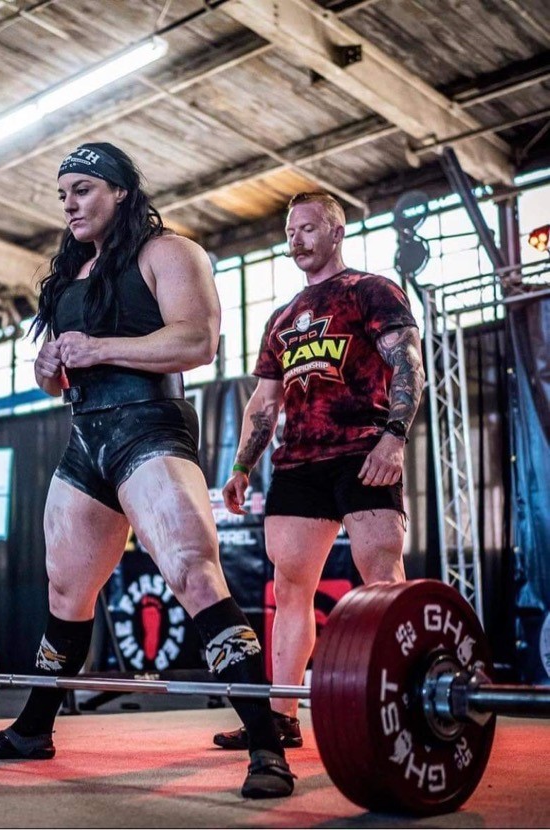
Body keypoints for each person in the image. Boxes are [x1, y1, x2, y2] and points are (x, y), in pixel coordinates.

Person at [0, 142, 293, 799]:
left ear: (119, 191)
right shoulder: (67, 279)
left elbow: (197, 341)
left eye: (82, 189)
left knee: (194, 573)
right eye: (63, 194)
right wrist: (49, 368)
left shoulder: (168, 252)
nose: (70, 204)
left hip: (149, 427)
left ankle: (266, 745)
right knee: (64, 596)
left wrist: (100, 347)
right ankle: (32, 728)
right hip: (87, 438)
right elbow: (57, 373)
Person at [213, 191, 426, 751]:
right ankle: (281, 716)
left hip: (363, 450)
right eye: (290, 232)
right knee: (289, 589)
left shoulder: (370, 290)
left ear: (335, 231)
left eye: (307, 228)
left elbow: (408, 363)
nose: (296, 240)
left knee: (382, 578)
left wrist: (394, 438)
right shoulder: (281, 319)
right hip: (299, 461)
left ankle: (406, 705)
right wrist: (240, 466)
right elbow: (264, 404)